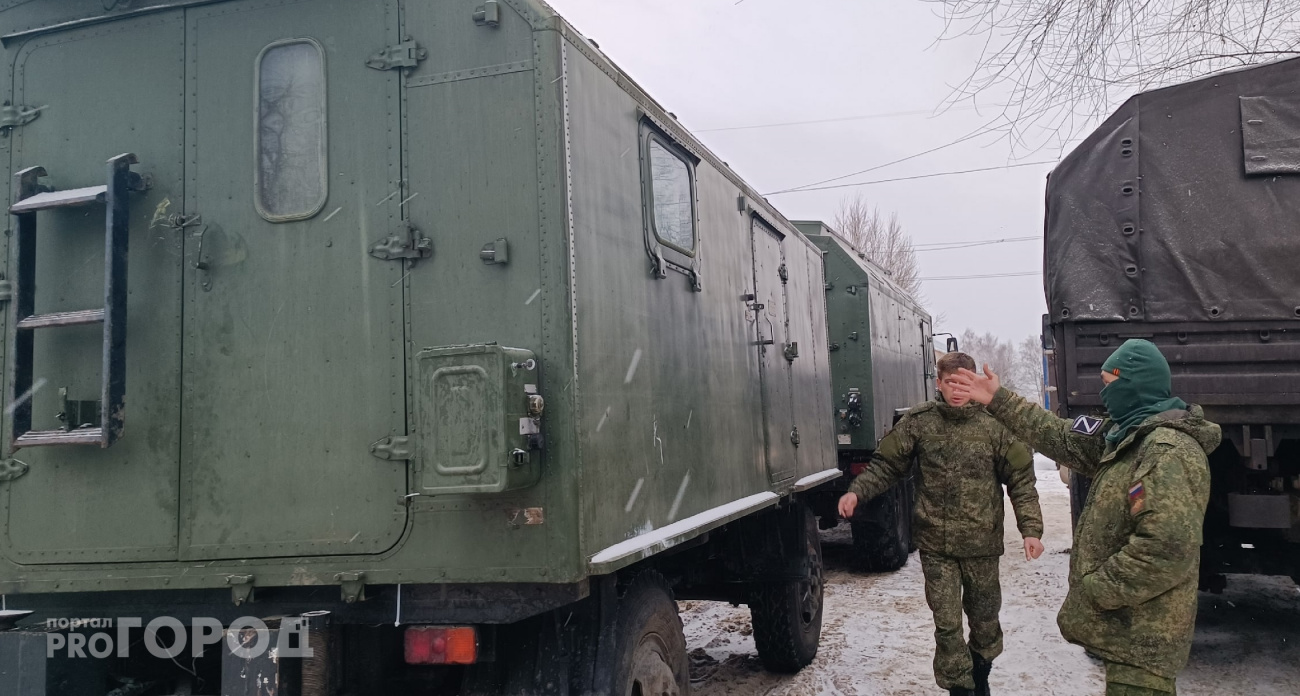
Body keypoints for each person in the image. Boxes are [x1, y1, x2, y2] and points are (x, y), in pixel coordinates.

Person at [949, 339, 1220, 696]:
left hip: (1143, 646)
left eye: (1109, 384)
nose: (1104, 395)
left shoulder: (1166, 451)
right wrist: (998, 398)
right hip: (1126, 637)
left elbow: (1165, 550)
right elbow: (1060, 435)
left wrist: (1094, 589)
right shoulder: (1126, 436)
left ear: (1133, 385)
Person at [838, 351, 1044, 696]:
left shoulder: (996, 426)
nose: (958, 390)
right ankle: (959, 688)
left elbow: (1021, 480)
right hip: (937, 546)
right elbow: (887, 465)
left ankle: (980, 673)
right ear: (939, 383)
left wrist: (1031, 530)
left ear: (974, 382)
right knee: (947, 625)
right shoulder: (920, 422)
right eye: (951, 383)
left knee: (984, 621)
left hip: (981, 545)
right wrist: (857, 492)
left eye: (964, 383)